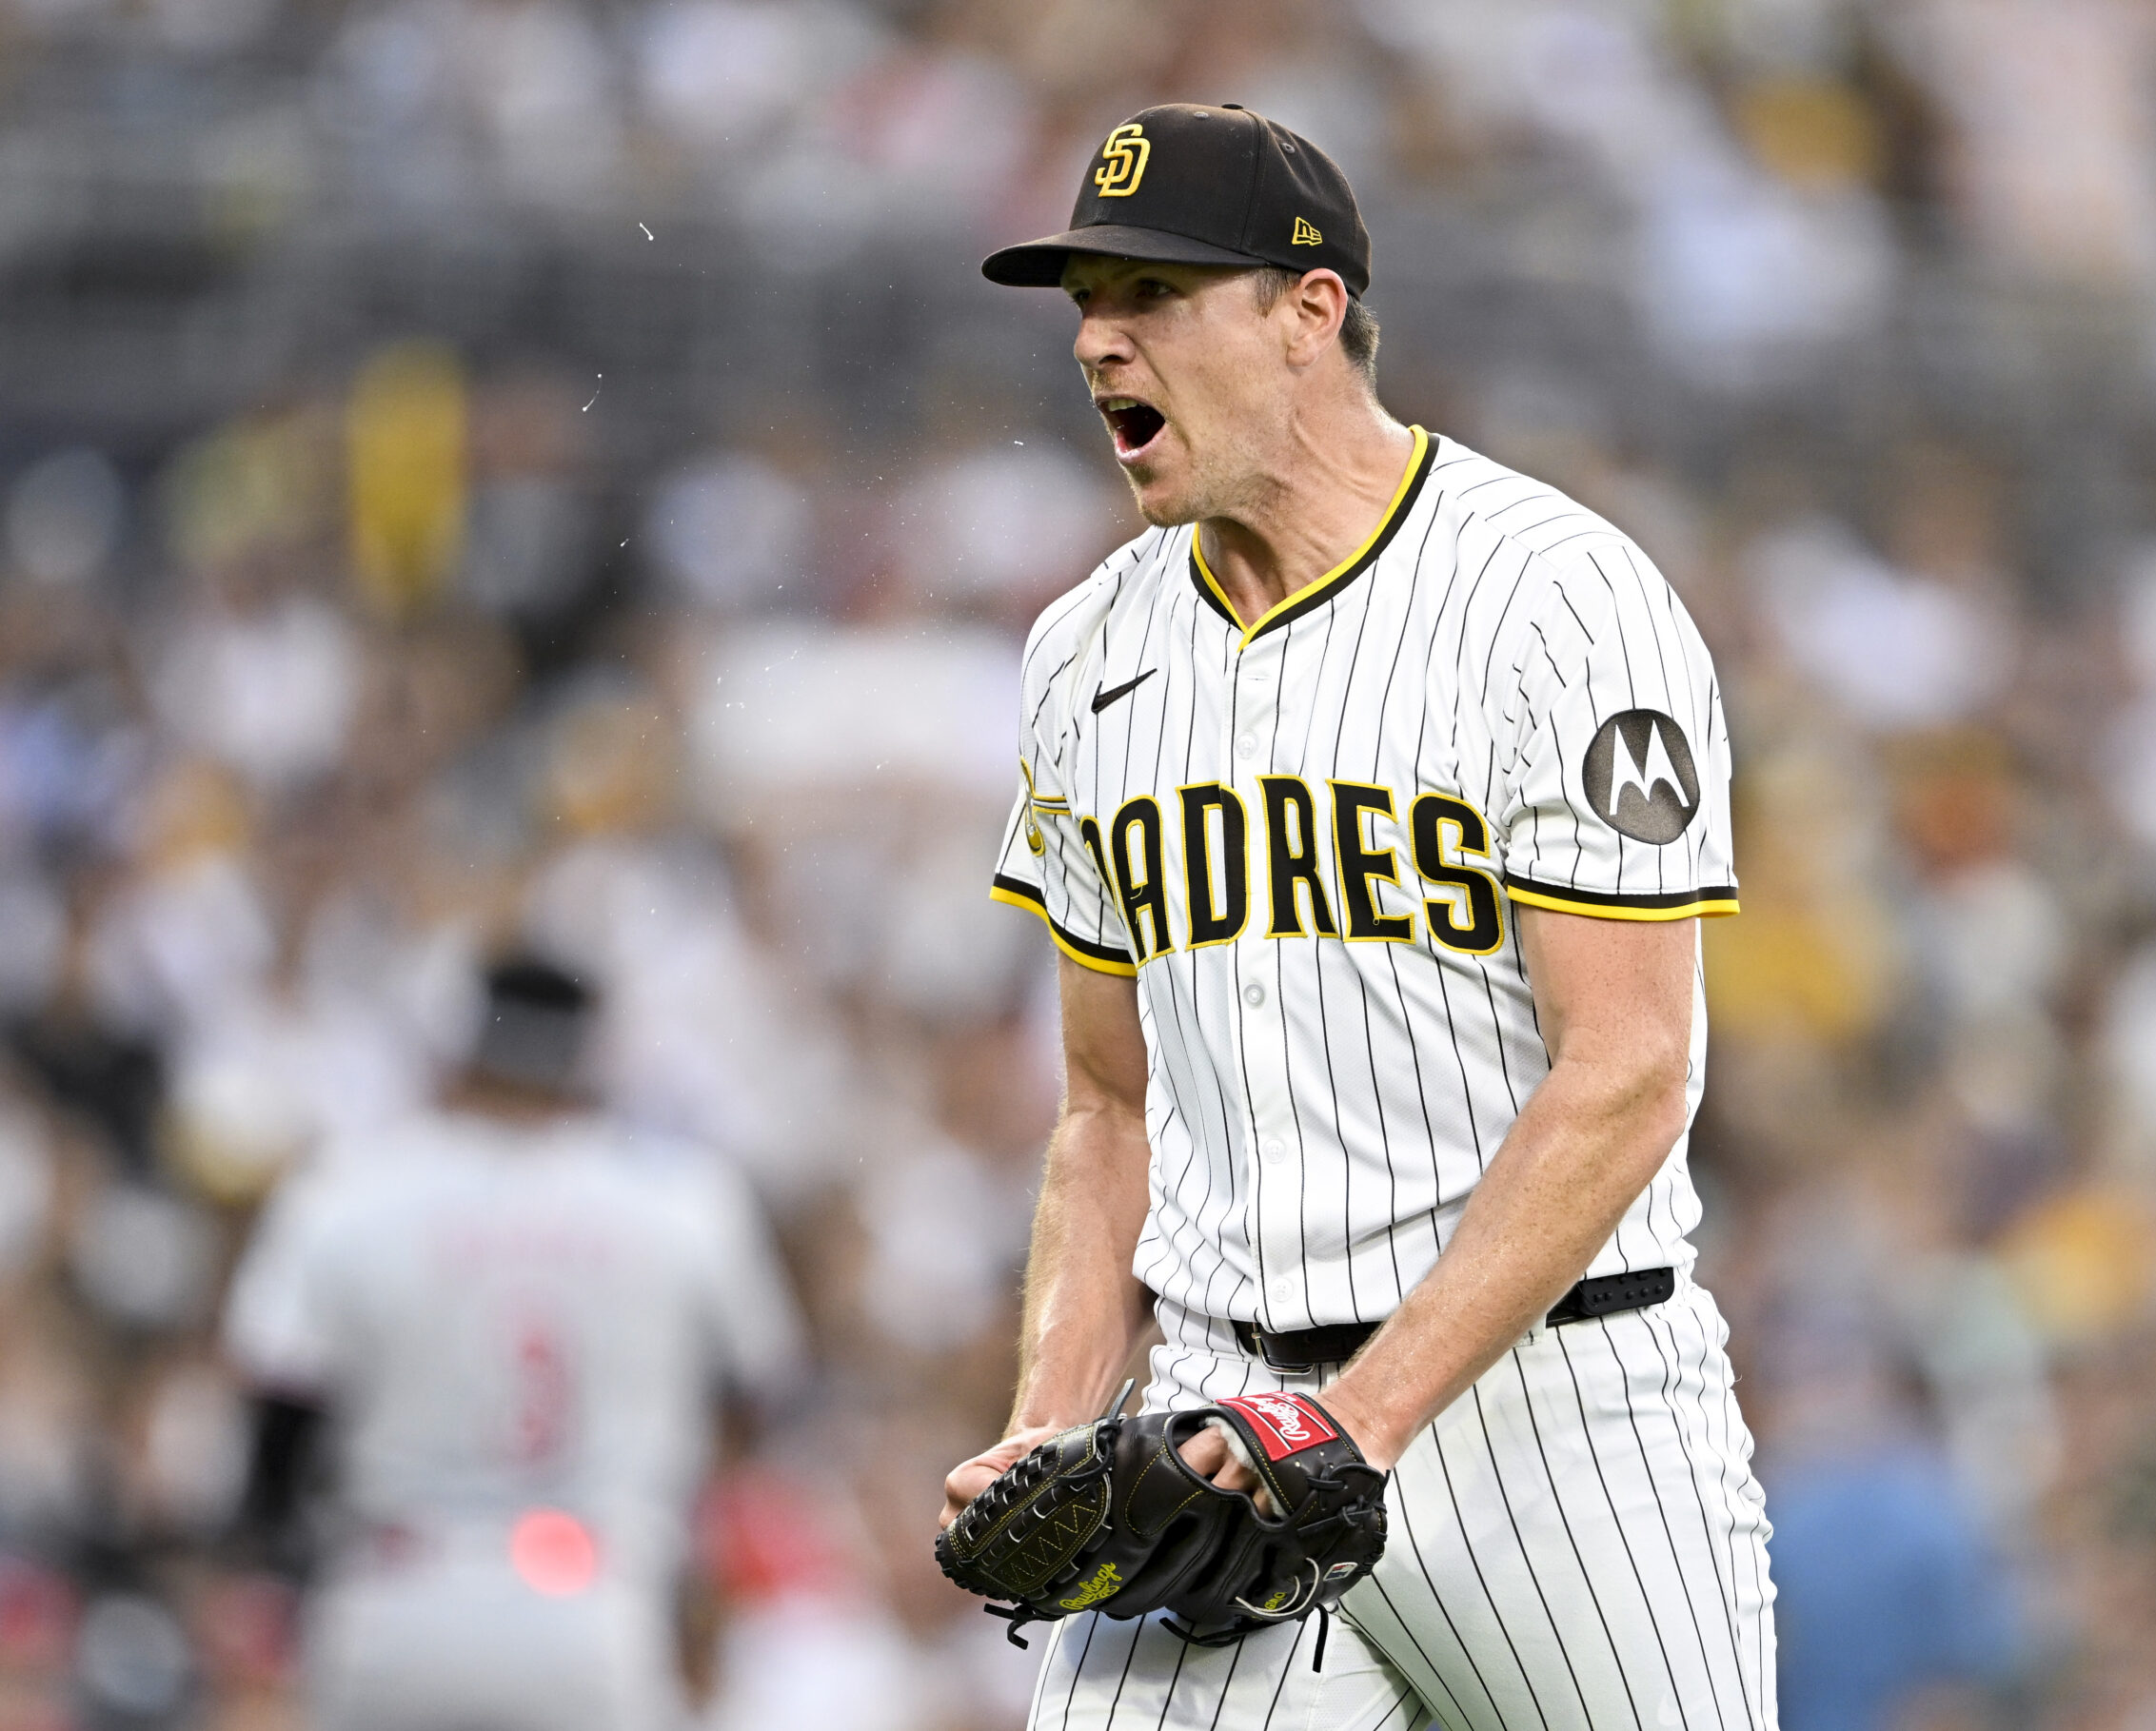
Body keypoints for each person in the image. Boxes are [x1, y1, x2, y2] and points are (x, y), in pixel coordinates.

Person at [942, 103, 1775, 1731]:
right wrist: (1053, 1417)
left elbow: (1629, 1064)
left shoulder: (1554, 595)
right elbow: (1110, 1104)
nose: (1099, 338)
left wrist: (1367, 1414)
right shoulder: (1084, 654)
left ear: (1307, 313)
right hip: (1217, 1421)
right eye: (1086, 302)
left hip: (1564, 1422)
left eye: (1152, 294)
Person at [222, 955, 803, 1731]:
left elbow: (278, 1415)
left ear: (464, 1045)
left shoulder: (353, 1186)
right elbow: (756, 1395)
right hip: (597, 1600)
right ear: (588, 1055)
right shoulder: (681, 1197)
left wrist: (288, 1557)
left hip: (396, 1588)